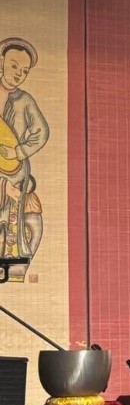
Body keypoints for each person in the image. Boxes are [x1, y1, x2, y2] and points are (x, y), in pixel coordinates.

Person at [0, 38, 49, 280]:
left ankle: (10, 269)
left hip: (14, 170)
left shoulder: (24, 100)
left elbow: (41, 131)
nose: (18, 73)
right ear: (1, 62)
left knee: (13, 223)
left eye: (24, 70)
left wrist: (18, 151)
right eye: (14, 66)